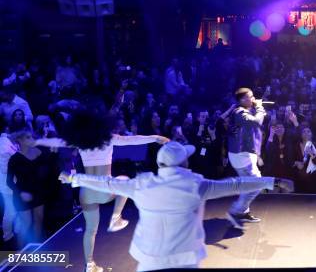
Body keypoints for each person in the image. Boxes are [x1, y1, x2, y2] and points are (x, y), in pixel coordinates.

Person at [58, 141, 294, 271]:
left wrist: (74, 178)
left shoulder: (143, 184)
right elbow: (236, 184)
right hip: (185, 260)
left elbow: (106, 182)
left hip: (150, 261)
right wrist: (273, 181)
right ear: (185, 161)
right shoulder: (196, 185)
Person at [41, 110, 169, 272]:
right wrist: (156, 138)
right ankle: (116, 218)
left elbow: (58, 143)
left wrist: (41, 141)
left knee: (90, 230)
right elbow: (133, 140)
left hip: (86, 193)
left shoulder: (81, 142)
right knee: (125, 180)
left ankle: (89, 265)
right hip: (103, 190)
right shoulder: (109, 139)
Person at [6, 131, 57, 247]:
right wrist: (20, 193)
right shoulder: (14, 159)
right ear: (20, 140)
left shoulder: (38, 152)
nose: (31, 139)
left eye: (32, 137)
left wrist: (54, 154)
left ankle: (35, 247)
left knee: (39, 221)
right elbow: (9, 181)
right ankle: (20, 253)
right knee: (26, 225)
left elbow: (49, 167)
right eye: (28, 137)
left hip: (38, 192)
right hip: (22, 195)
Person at [226, 88, 267, 228]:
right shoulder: (239, 113)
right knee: (257, 184)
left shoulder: (242, 111)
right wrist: (260, 108)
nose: (253, 98)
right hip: (241, 154)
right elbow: (256, 123)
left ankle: (243, 211)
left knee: (247, 185)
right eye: (250, 97)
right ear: (242, 100)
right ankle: (236, 210)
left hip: (242, 153)